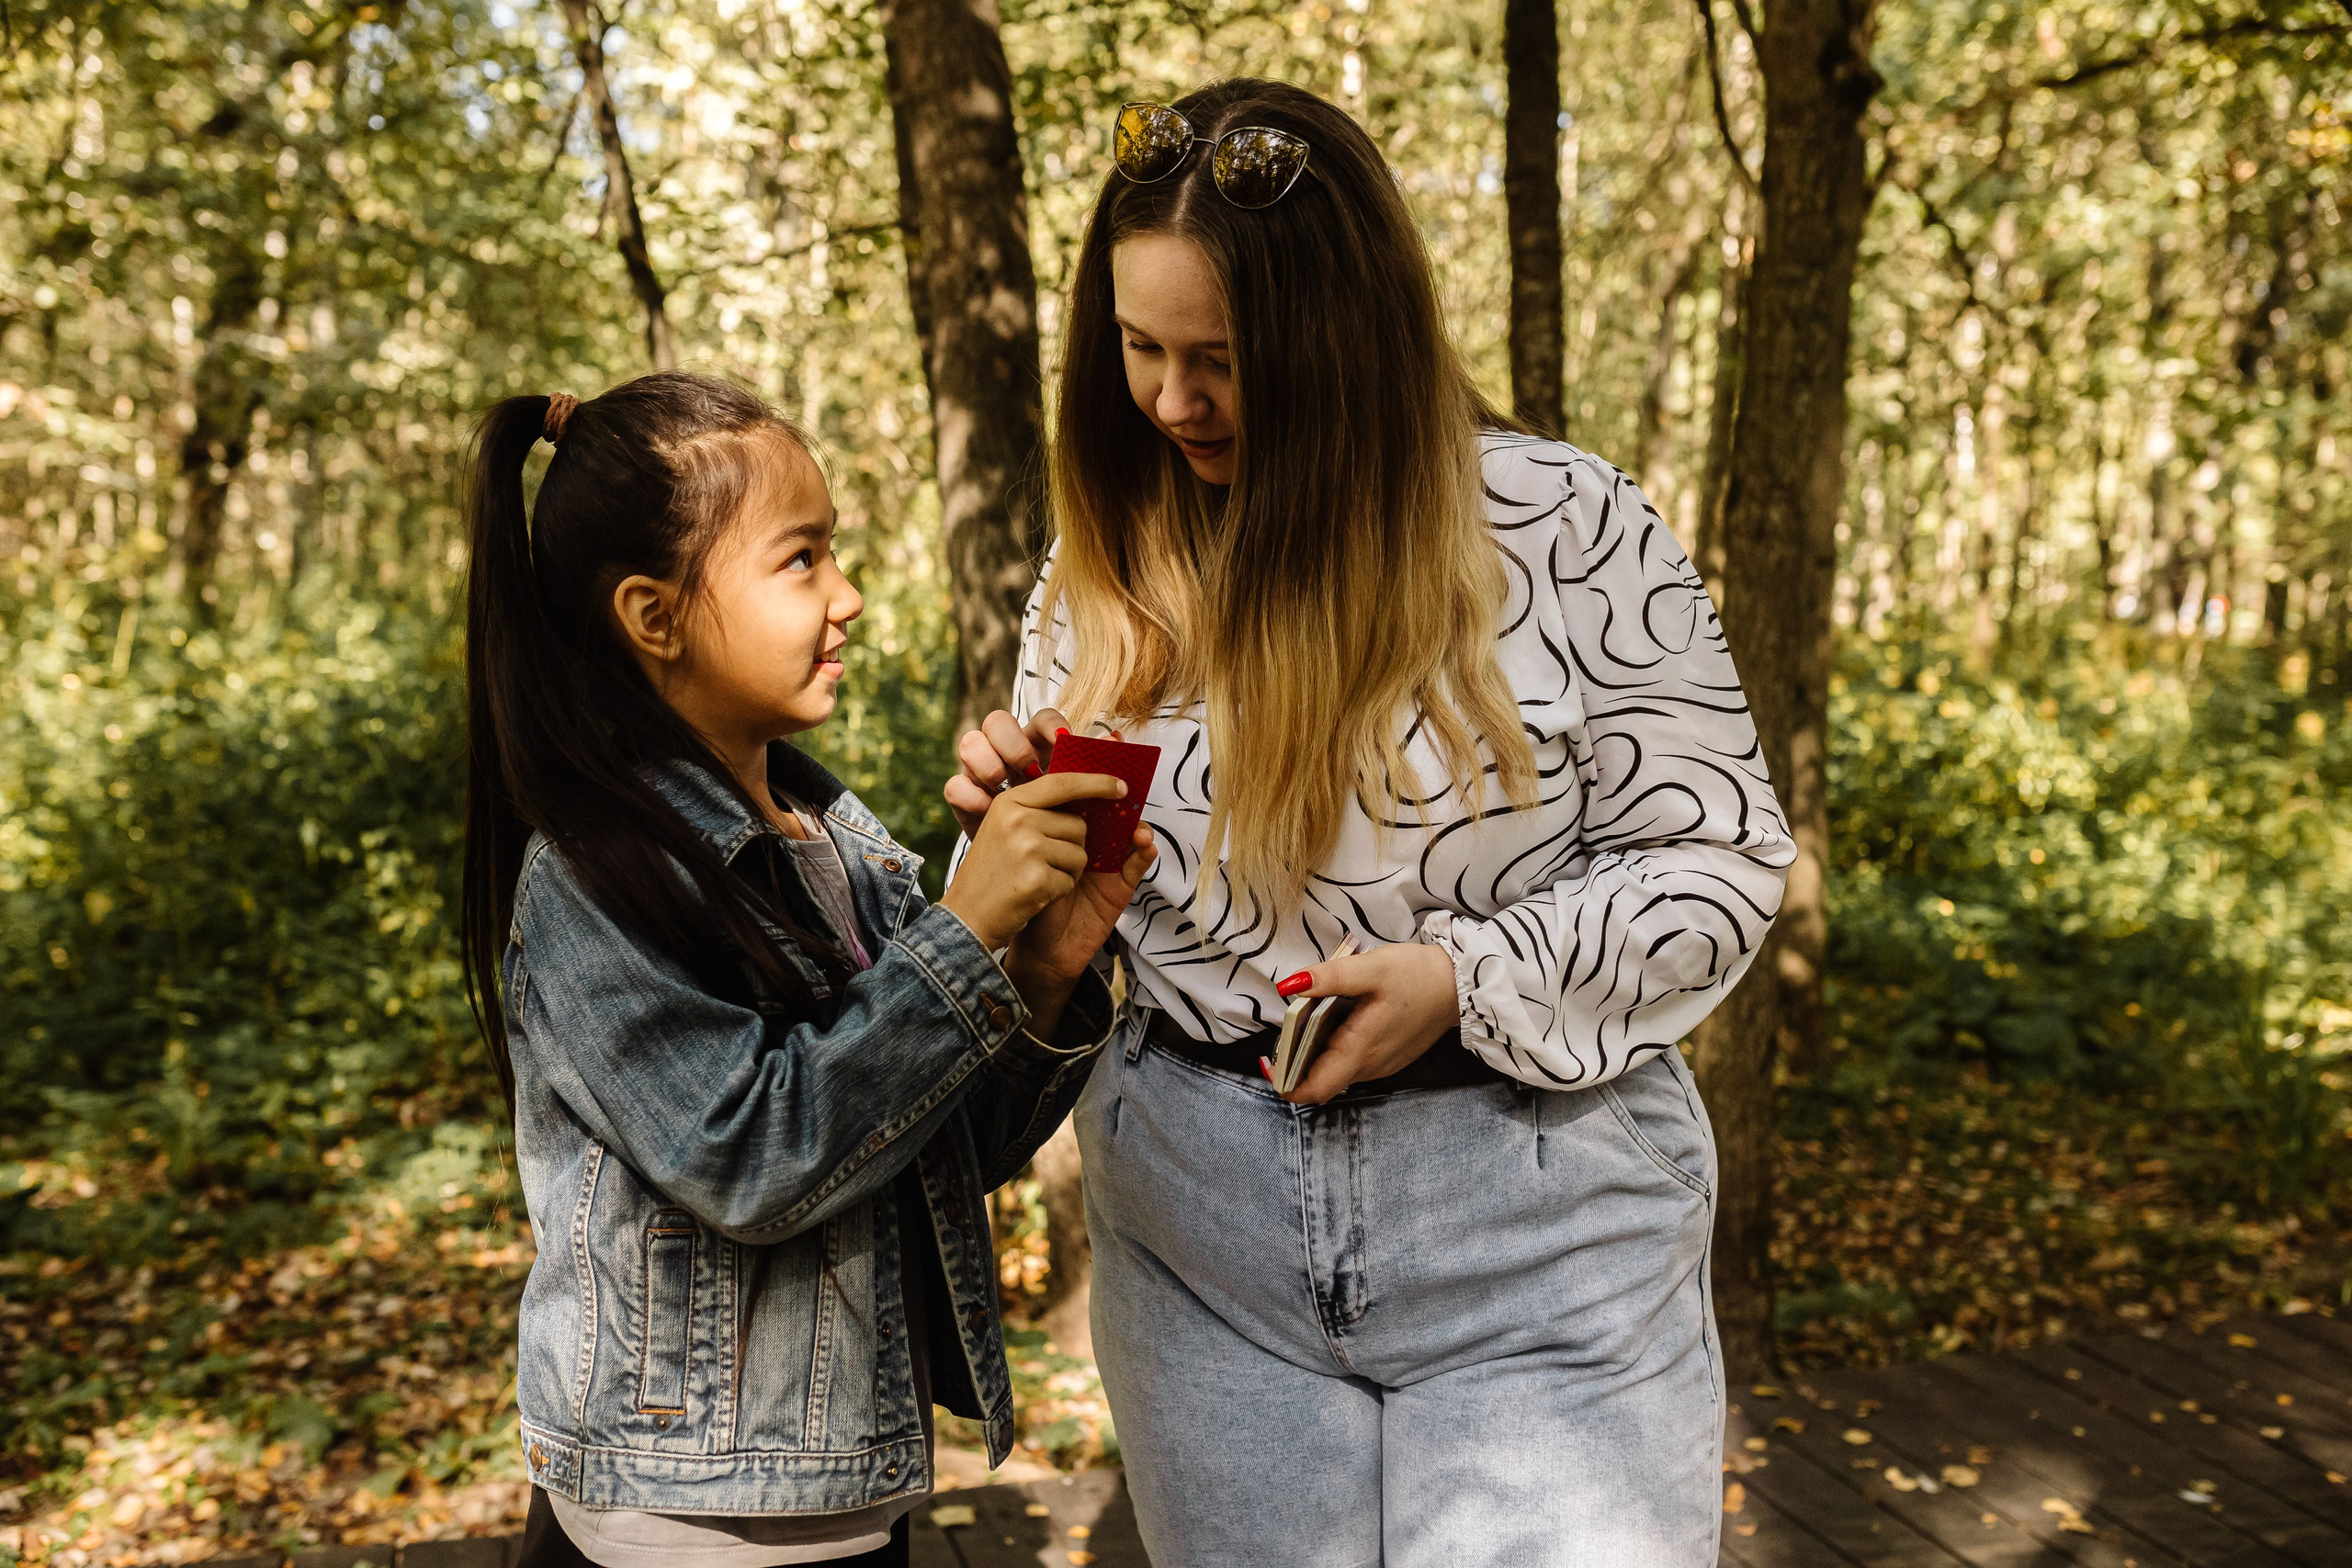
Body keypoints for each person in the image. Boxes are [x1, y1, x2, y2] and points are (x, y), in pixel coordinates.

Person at [946, 82, 1796, 1565]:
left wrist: (1466, 980)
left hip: (1539, 1218)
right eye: (1139, 349)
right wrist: (1022, 897)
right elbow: (1055, 951)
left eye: (1222, 360)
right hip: (1197, 1236)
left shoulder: (1565, 525)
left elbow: (1720, 857)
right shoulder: (1099, 568)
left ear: (1347, 340)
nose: (1172, 403)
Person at [458, 372, 1154, 1568]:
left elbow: (923, 1150)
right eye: (802, 560)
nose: (849, 596)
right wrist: (959, 934)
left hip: (846, 1505)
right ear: (653, 615)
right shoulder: (588, 880)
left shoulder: (837, 846)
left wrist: (1041, 966)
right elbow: (749, 1157)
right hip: (680, 1529)